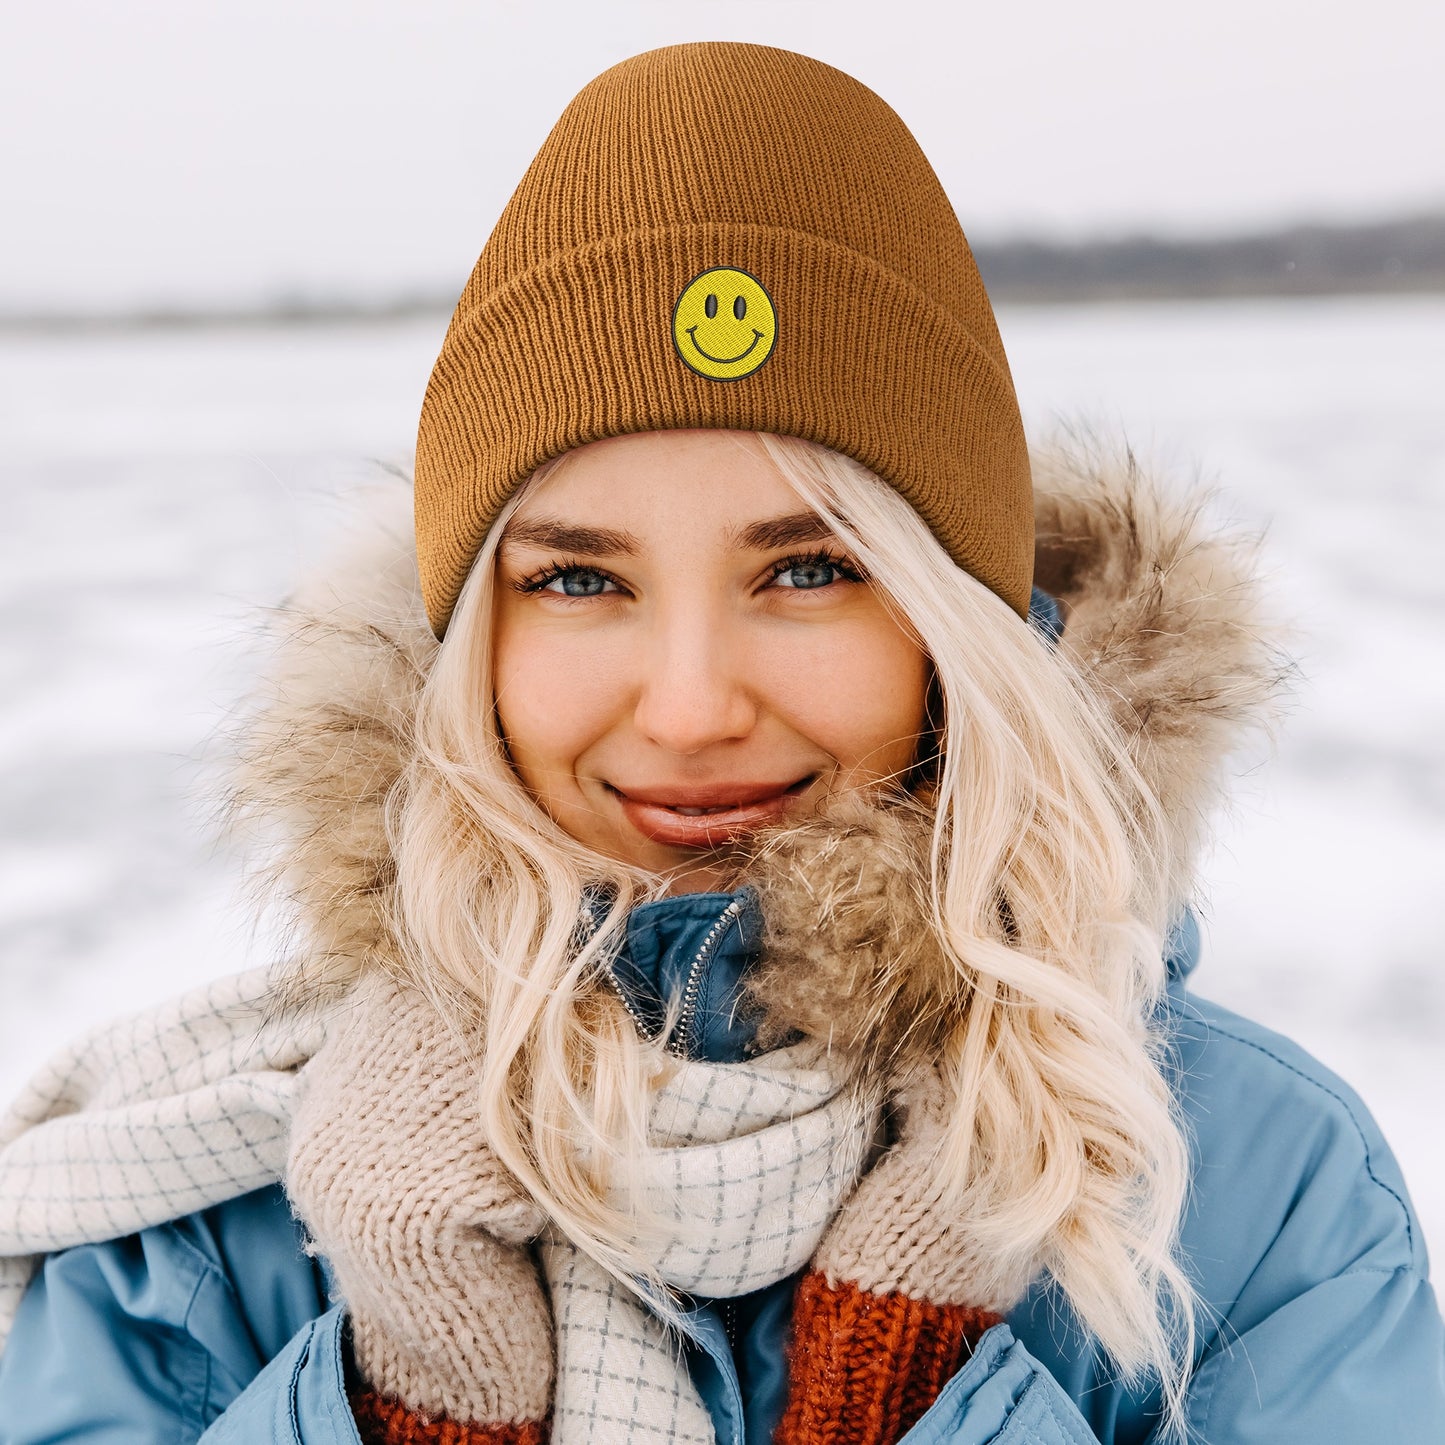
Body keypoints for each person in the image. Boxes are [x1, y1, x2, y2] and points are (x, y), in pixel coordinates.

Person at [0, 40, 1440, 1445]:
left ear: (955, 630)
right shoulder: (204, 1224)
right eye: (576, 578)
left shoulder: (1247, 1201)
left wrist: (906, 1387)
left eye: (808, 570)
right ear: (462, 652)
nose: (689, 708)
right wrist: (410, 1405)